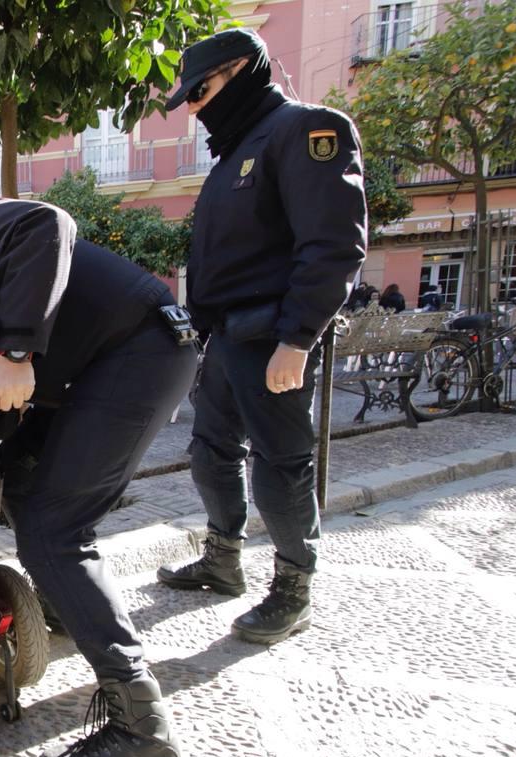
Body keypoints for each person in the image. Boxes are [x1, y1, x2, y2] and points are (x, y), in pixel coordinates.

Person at [0, 195, 199, 757]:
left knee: (53, 528)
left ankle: (142, 731)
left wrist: (15, 350)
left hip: (137, 349)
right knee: (18, 479)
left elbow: (48, 224)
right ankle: (70, 609)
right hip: (108, 361)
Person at [153, 28, 367, 646]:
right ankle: (223, 560)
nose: (193, 107)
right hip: (225, 338)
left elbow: (333, 245)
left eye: (202, 91)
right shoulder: (234, 152)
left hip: (274, 334)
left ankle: (294, 588)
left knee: (281, 466)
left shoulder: (305, 130)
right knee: (209, 454)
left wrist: (298, 339)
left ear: (244, 70)